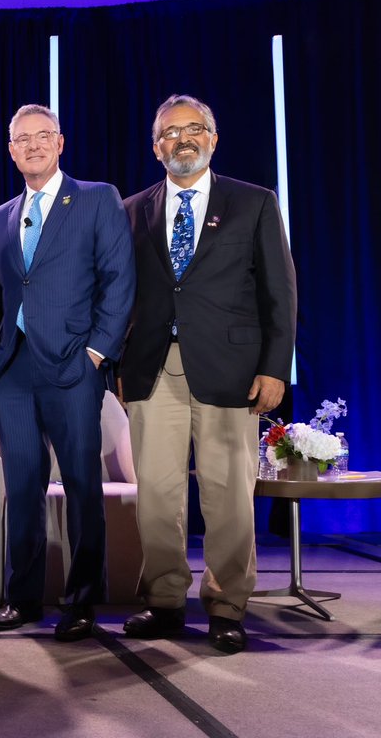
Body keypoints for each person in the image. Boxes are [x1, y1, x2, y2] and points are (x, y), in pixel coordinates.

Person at [119, 94, 296, 654]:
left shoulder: (255, 203)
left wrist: (275, 368)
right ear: (156, 147)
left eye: (194, 129)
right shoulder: (131, 210)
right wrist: (118, 366)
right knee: (158, 496)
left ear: (213, 140)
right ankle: (166, 599)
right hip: (153, 371)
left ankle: (227, 604)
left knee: (228, 495)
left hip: (232, 372)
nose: (183, 140)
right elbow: (120, 297)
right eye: (170, 133)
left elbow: (280, 295)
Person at [0, 104, 135, 641]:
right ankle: (23, 598)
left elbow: (119, 281)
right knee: (22, 485)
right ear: (11, 150)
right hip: (14, 369)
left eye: (44, 136)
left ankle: (82, 601)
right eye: (23, 139)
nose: (34, 146)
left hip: (75, 364)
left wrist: (97, 354)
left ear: (61, 143)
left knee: (82, 485)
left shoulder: (96, 198)